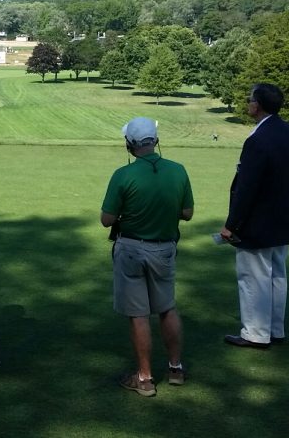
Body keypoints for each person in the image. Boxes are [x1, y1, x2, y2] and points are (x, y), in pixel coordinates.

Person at [100, 117, 194, 397]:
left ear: (129, 144)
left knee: (139, 314)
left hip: (131, 249)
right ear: (155, 141)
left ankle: (144, 379)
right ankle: (175, 369)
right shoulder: (178, 171)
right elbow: (187, 213)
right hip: (164, 249)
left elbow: (106, 220)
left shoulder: (123, 175)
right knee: (167, 308)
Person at [220, 83, 289, 350]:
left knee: (253, 277)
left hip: (258, 221)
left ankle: (255, 333)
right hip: (283, 218)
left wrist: (231, 225)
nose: (248, 103)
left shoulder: (258, 140)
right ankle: (275, 328)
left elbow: (247, 187)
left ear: (257, 105)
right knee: (277, 275)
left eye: (250, 100)